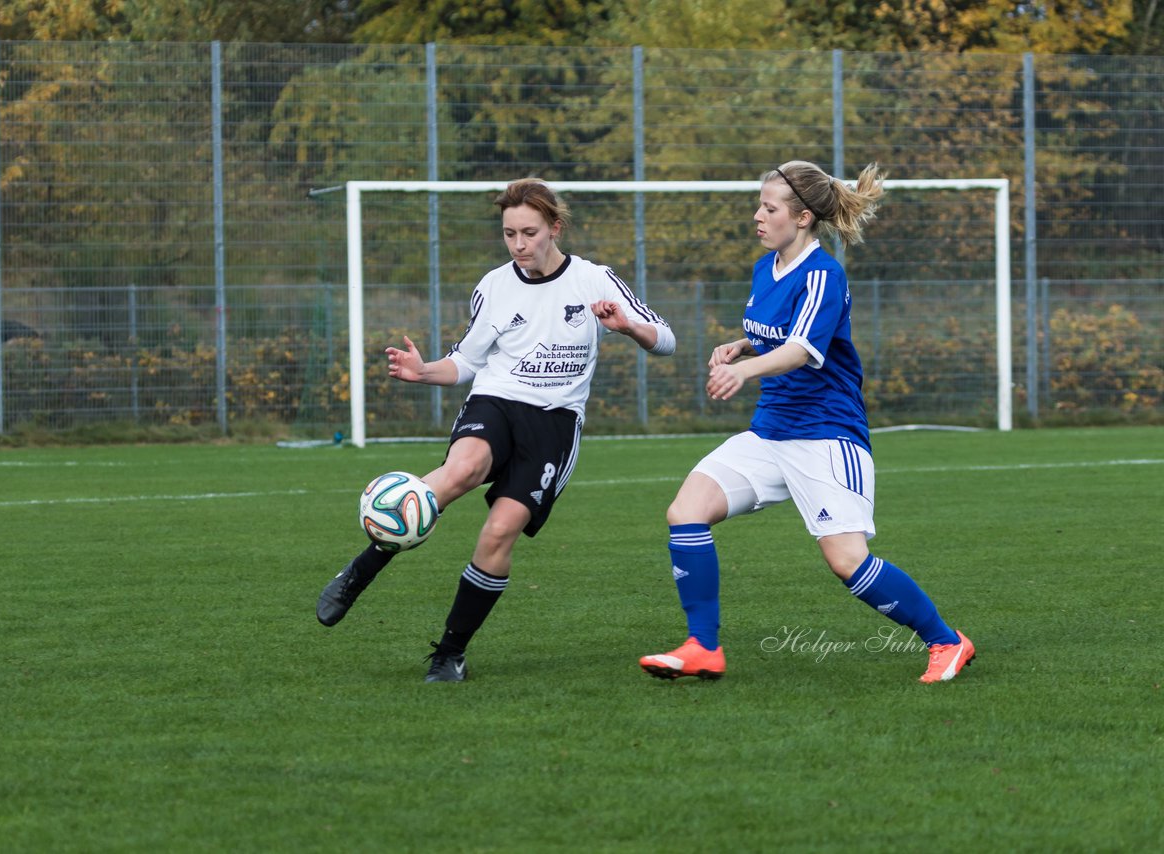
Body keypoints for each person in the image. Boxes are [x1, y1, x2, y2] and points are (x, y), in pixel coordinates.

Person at [317, 177, 677, 682]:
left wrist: (628, 327)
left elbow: (666, 341)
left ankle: (449, 653)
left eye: (529, 232)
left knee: (500, 531)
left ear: (555, 227)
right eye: (509, 234)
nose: (519, 245)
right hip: (496, 402)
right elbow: (466, 362)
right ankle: (362, 569)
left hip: (554, 424)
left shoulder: (595, 280)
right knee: (460, 470)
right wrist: (425, 371)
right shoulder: (493, 286)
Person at [638, 160, 975, 684]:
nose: (757, 215)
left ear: (800, 218)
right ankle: (703, 646)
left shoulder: (823, 273)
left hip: (826, 435)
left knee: (847, 562)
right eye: (760, 205)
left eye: (768, 208)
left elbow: (801, 348)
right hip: (772, 430)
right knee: (686, 511)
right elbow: (778, 331)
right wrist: (743, 343)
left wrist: (744, 370)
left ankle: (947, 642)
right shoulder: (764, 266)